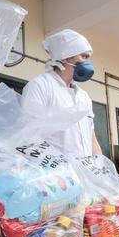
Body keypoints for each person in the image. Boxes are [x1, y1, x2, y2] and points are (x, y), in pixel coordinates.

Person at [22, 29, 102, 158]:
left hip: (84, 172)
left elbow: (92, 139)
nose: (88, 63)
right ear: (65, 57)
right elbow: (30, 137)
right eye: (84, 56)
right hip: (56, 174)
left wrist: (100, 168)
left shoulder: (84, 96)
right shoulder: (40, 86)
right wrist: (55, 175)